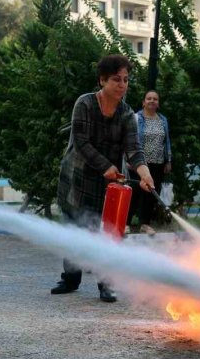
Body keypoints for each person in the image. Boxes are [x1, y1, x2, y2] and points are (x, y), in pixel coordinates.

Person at [55, 55, 155, 302]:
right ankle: (70, 278)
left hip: (109, 183)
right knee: (75, 228)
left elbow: (134, 149)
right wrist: (105, 165)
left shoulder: (127, 114)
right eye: (115, 79)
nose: (122, 85)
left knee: (108, 232)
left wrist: (144, 173)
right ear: (102, 80)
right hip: (77, 177)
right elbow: (81, 142)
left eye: (125, 80)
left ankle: (106, 284)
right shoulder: (85, 104)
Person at [129, 90, 172, 236]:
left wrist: (168, 160)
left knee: (151, 195)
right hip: (139, 163)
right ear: (143, 102)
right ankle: (126, 223)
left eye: (155, 99)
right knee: (134, 193)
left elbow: (166, 142)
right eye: (149, 98)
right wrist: (129, 159)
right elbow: (128, 140)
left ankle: (144, 224)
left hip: (158, 163)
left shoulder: (163, 120)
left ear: (158, 103)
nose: (152, 101)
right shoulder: (135, 118)